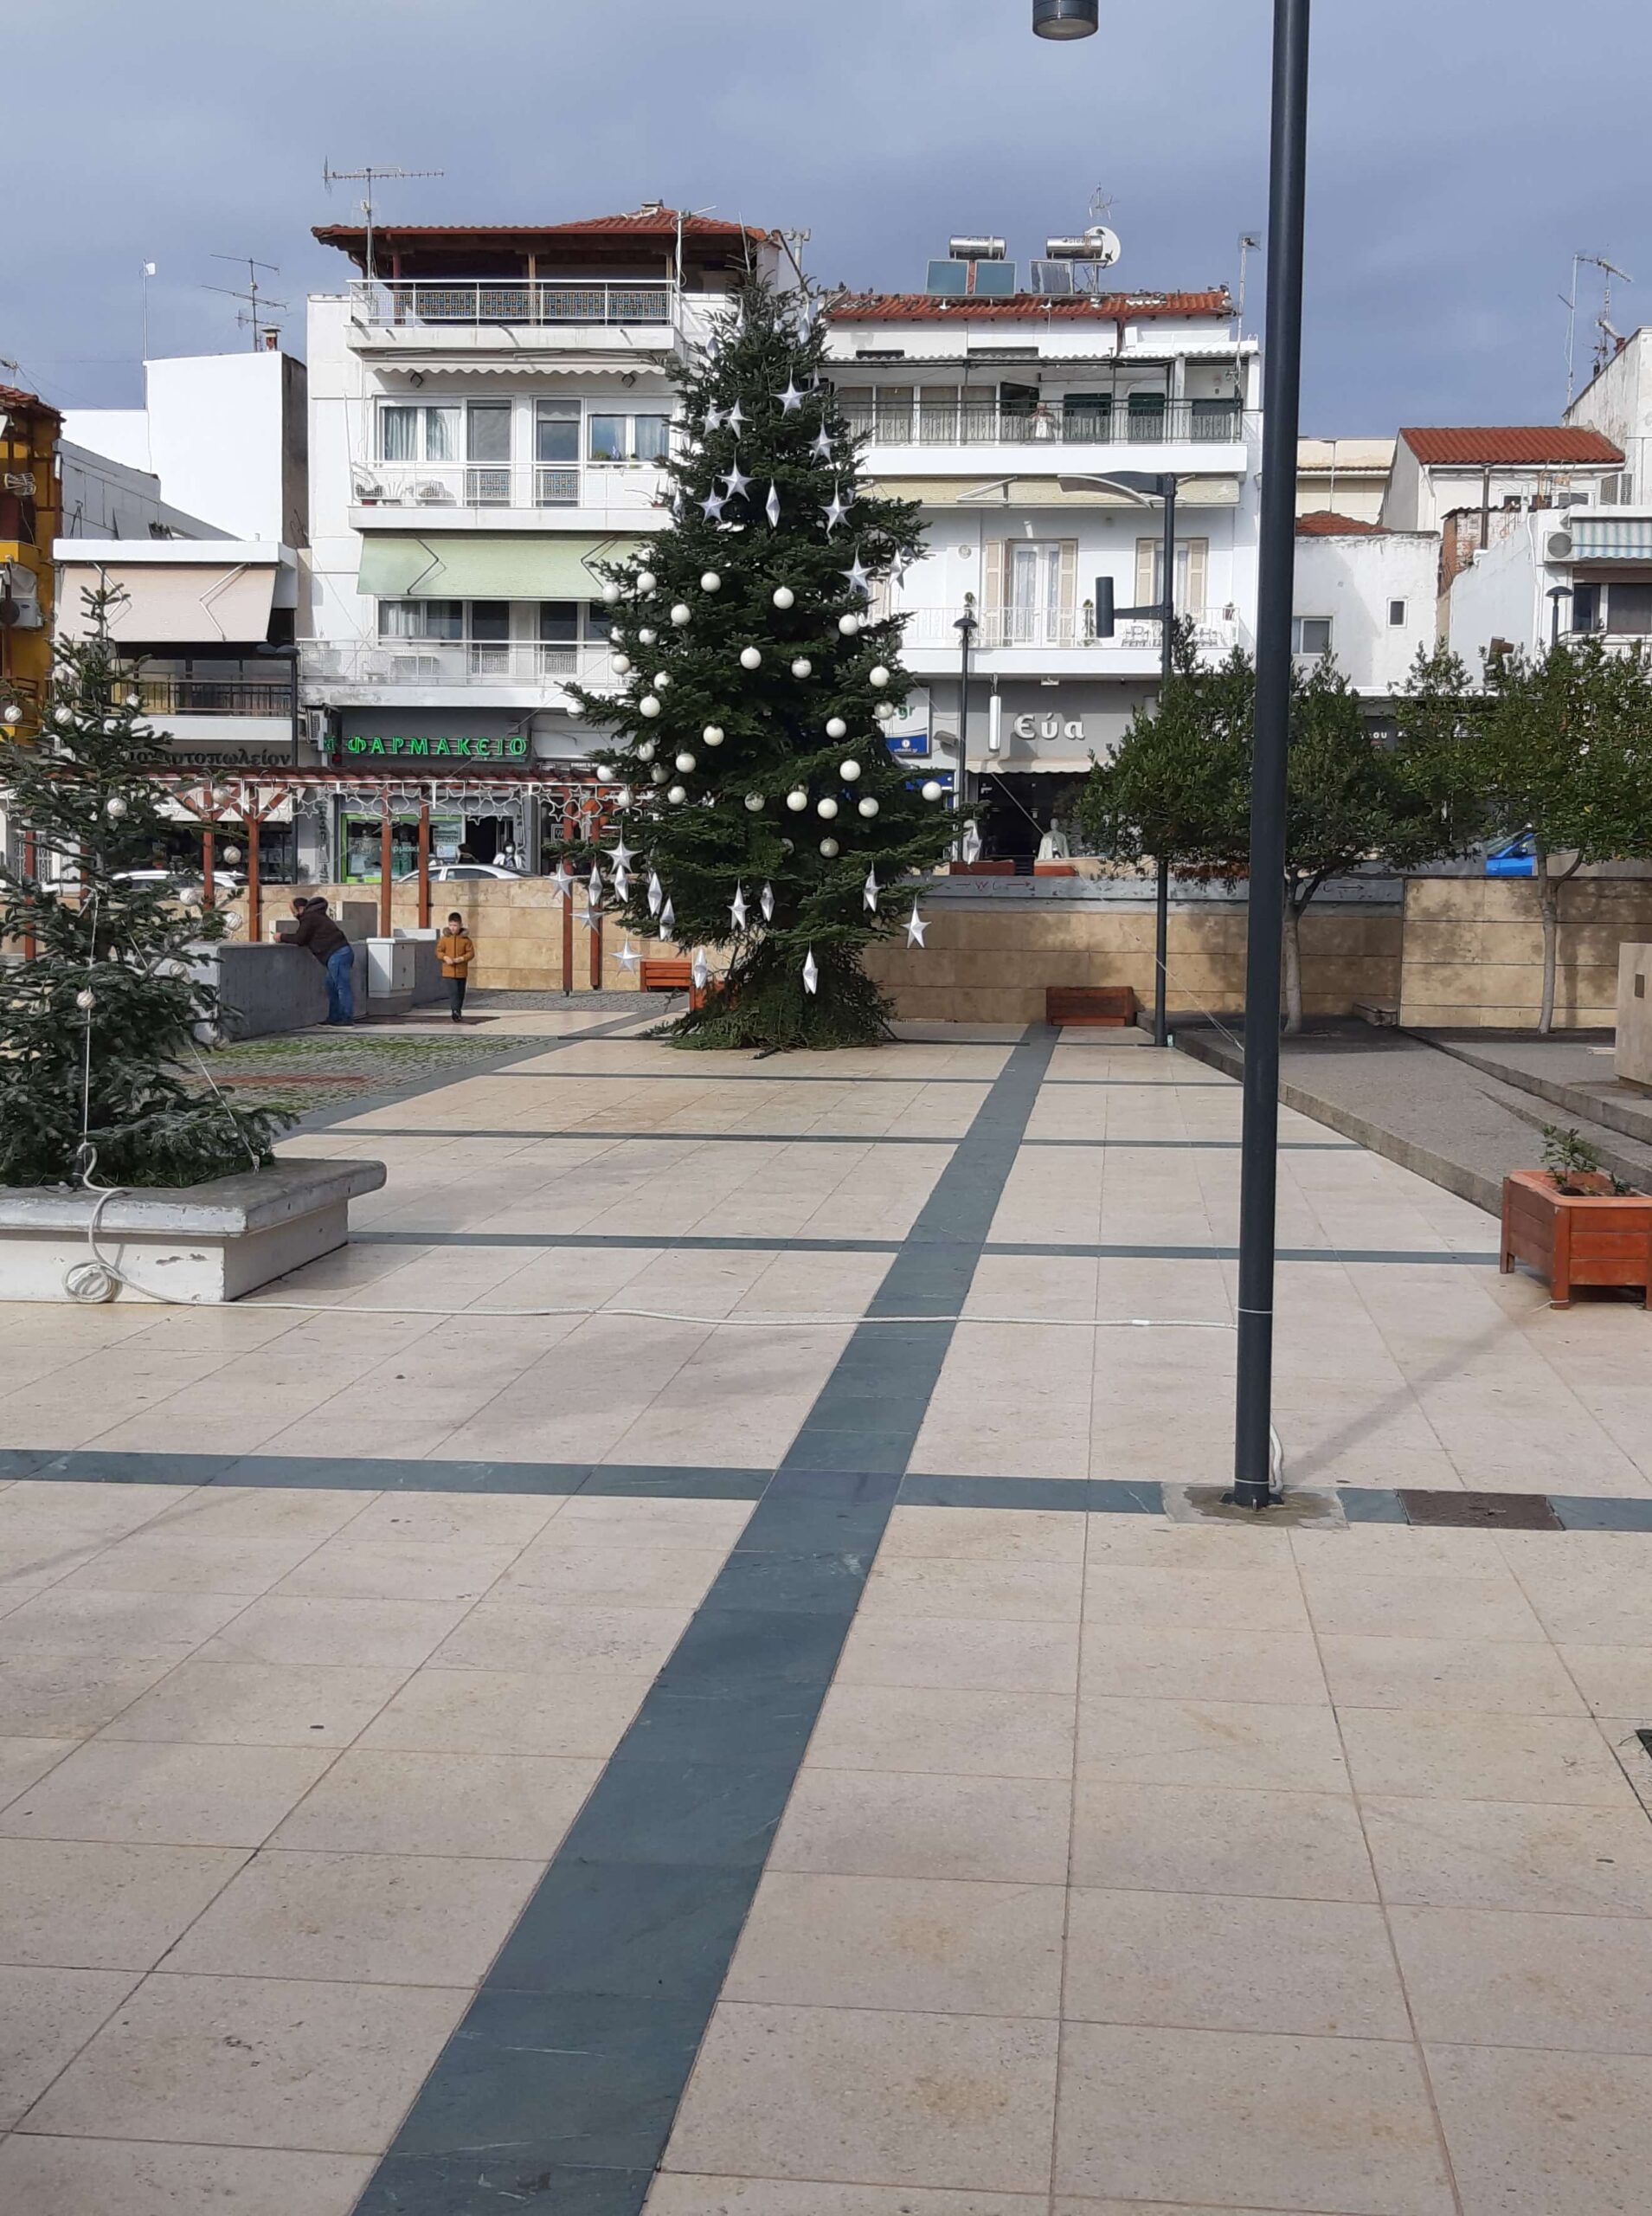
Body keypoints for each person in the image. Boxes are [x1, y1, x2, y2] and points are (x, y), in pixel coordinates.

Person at [292, 896, 355, 1025]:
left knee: (341, 986)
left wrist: (281, 936)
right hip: (340, 953)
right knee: (331, 986)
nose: (294, 915)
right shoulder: (316, 916)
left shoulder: (309, 918)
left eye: (293, 911)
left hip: (336, 954)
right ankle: (334, 1017)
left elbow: (300, 938)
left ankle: (346, 1018)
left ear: (301, 909)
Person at [435, 910, 475, 1023]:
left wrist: (462, 958)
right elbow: (438, 951)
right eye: (451, 925)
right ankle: (455, 1011)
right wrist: (445, 957)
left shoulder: (466, 940)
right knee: (453, 992)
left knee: (460, 993)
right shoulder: (444, 939)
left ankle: (458, 1011)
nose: (453, 928)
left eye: (455, 925)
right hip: (448, 971)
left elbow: (471, 953)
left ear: (460, 925)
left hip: (461, 971)